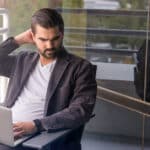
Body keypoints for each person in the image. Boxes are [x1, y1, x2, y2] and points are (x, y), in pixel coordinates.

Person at [0, 8, 97, 150]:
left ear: (62, 34)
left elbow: (80, 111)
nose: (50, 46)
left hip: (39, 137)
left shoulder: (80, 68)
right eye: (43, 39)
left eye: (55, 39)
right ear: (32, 37)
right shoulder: (23, 61)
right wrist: (17, 41)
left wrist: (36, 125)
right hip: (7, 130)